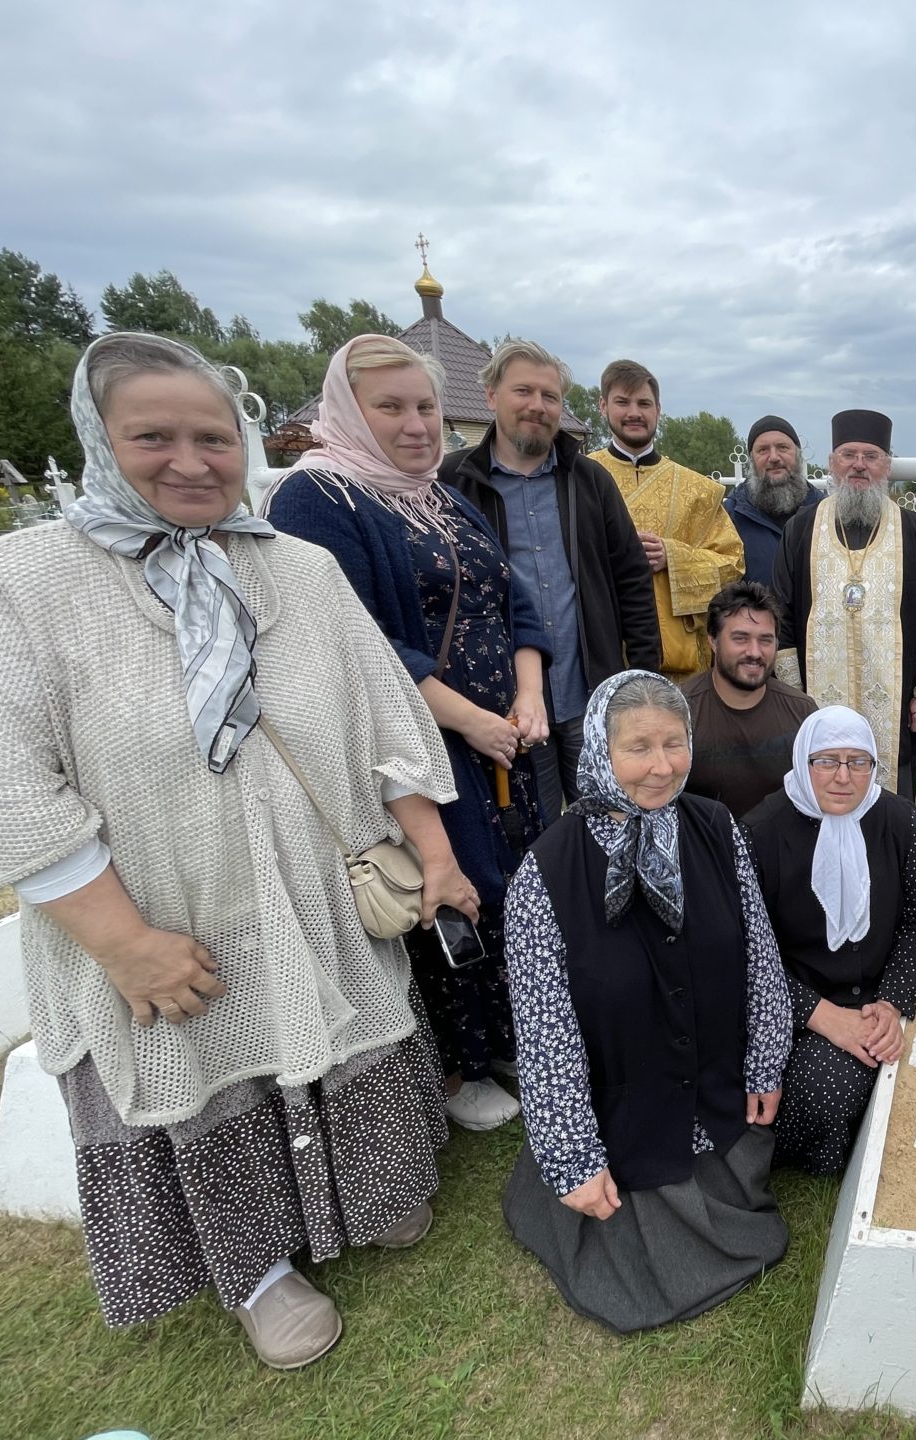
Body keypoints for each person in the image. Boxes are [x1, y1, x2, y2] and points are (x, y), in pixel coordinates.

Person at [0, 333, 473, 1369]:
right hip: (156, 911)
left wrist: (435, 856)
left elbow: (387, 722)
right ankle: (258, 1272)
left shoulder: (299, 569)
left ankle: (370, 1196)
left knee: (346, 1032)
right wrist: (124, 942)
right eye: (153, 437)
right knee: (202, 1065)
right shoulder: (24, 582)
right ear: (100, 440)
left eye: (212, 437)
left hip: (312, 889)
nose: (191, 461)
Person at [264, 334, 549, 1133]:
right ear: (350, 411)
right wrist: (470, 720)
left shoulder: (439, 497)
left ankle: (508, 1039)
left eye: (425, 405)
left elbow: (512, 602)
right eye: (391, 407)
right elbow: (354, 640)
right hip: (416, 742)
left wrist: (525, 697)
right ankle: (461, 1067)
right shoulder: (320, 498)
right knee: (444, 889)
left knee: (510, 886)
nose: (418, 424)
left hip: (500, 739)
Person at [500, 671, 792, 1334]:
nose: (662, 767)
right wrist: (573, 1156)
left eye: (674, 743)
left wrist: (764, 1063)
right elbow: (547, 1039)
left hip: (713, 1095)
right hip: (622, 1116)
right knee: (630, 1243)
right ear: (600, 752)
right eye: (638, 748)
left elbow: (758, 957)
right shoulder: (544, 877)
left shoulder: (716, 828)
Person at [441, 338, 662, 817]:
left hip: (587, 692)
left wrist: (643, 679)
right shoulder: (454, 482)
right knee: (530, 829)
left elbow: (631, 582)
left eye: (550, 397)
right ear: (491, 395)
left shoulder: (588, 481)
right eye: (523, 391)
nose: (537, 407)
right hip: (504, 705)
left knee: (609, 822)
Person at [743, 707, 916, 1174]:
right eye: (826, 761)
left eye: (858, 762)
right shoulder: (760, 830)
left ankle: (834, 1138)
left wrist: (891, 1002)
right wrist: (822, 1015)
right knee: (826, 1085)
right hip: (786, 1005)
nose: (843, 777)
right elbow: (745, 952)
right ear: (802, 760)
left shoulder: (896, 819)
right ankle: (806, 1147)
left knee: (862, 1077)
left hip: (873, 999)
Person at [773, 409, 916, 800]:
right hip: (815, 697)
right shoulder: (801, 529)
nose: (859, 465)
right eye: (849, 455)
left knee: (891, 814)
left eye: (871, 456)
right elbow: (781, 614)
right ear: (832, 463)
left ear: (886, 465)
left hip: (897, 701)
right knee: (819, 798)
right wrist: (793, 699)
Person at [586, 359, 745, 680]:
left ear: (658, 409)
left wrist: (673, 557)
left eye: (644, 403)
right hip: (599, 652)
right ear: (603, 406)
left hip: (682, 662)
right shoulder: (579, 479)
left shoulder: (696, 489)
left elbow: (733, 565)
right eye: (622, 402)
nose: (634, 412)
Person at [680, 580, 819, 818]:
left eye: (765, 640)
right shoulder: (679, 710)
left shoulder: (802, 712)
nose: (754, 652)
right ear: (712, 640)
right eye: (740, 638)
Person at [726, 414, 822, 588]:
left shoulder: (824, 512)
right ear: (752, 460)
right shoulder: (731, 515)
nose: (774, 457)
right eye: (763, 450)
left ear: (798, 454)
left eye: (782, 447)